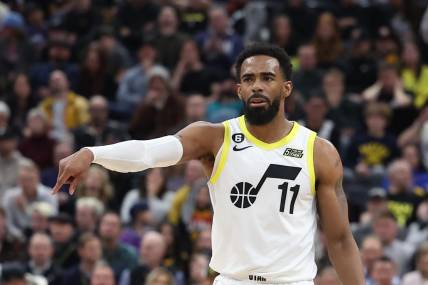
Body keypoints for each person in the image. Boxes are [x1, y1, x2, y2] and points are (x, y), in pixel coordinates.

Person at [53, 43, 364, 284]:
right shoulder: (214, 138)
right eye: (248, 79)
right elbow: (150, 152)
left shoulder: (318, 151)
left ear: (286, 88)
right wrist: (94, 153)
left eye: (267, 77)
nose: (257, 85)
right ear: (239, 89)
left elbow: (339, 239)